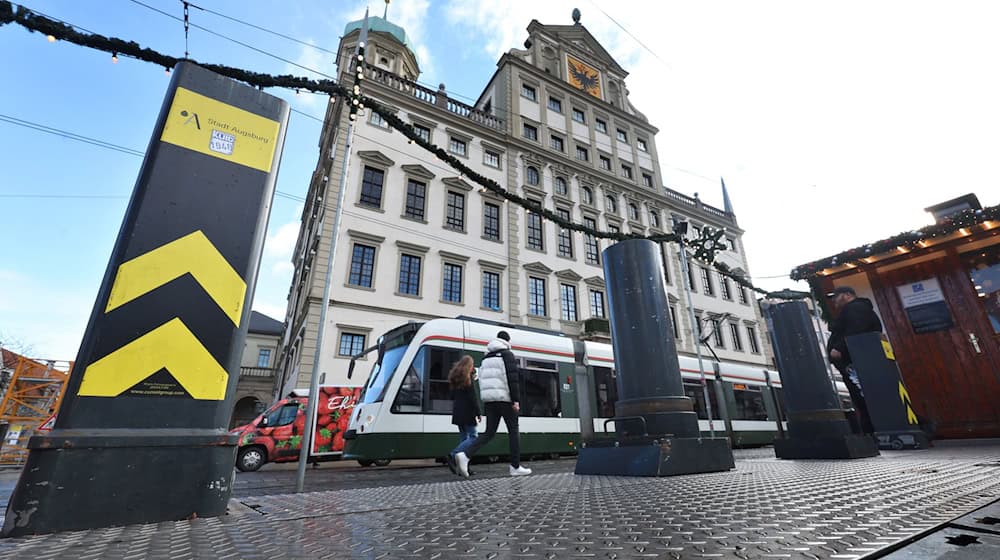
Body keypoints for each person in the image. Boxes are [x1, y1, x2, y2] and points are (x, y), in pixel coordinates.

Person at [453, 331, 532, 477]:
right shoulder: (507, 355)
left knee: (489, 433)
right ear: (507, 341)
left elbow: (481, 379)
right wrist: (515, 400)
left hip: (490, 401)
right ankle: (515, 467)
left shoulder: (486, 357)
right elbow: (512, 378)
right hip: (505, 399)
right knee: (514, 432)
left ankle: (465, 455)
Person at [826, 286, 883, 434]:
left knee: (864, 397)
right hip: (855, 360)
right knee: (863, 398)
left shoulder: (855, 308)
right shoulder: (857, 309)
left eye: (836, 296)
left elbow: (855, 329)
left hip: (855, 361)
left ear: (846, 295)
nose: (833, 301)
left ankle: (872, 431)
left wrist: (839, 348)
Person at [445, 356, 481, 475]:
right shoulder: (468, 378)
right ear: (469, 366)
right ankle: (453, 455)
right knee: (474, 437)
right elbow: (473, 398)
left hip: (457, 412)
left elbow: (451, 396)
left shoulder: (455, 378)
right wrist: (478, 412)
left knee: (464, 439)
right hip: (467, 412)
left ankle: (464, 468)